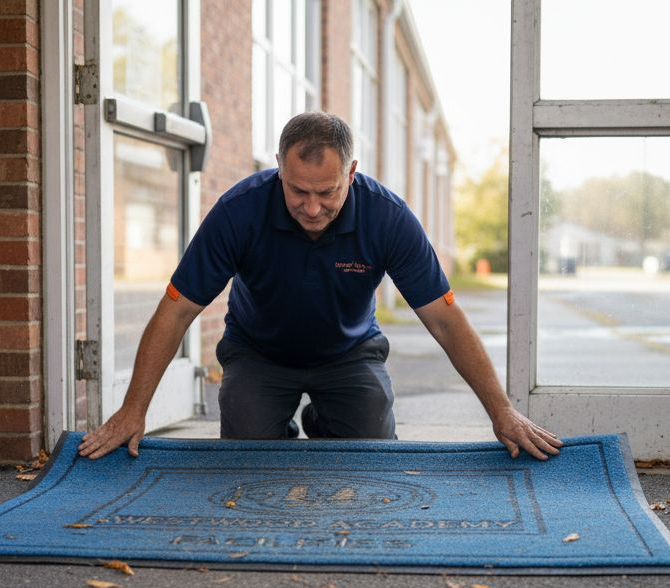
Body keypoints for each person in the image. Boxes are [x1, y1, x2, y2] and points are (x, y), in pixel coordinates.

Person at [78, 112, 562, 462]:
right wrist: (132, 410)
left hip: (349, 355)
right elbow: (176, 310)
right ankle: (274, 425)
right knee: (247, 458)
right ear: (279, 169)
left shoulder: (387, 218)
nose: (311, 208)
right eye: (298, 191)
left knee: (370, 459)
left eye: (326, 192)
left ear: (351, 174)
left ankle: (327, 420)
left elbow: (445, 320)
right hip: (258, 354)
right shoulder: (239, 211)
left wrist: (502, 412)